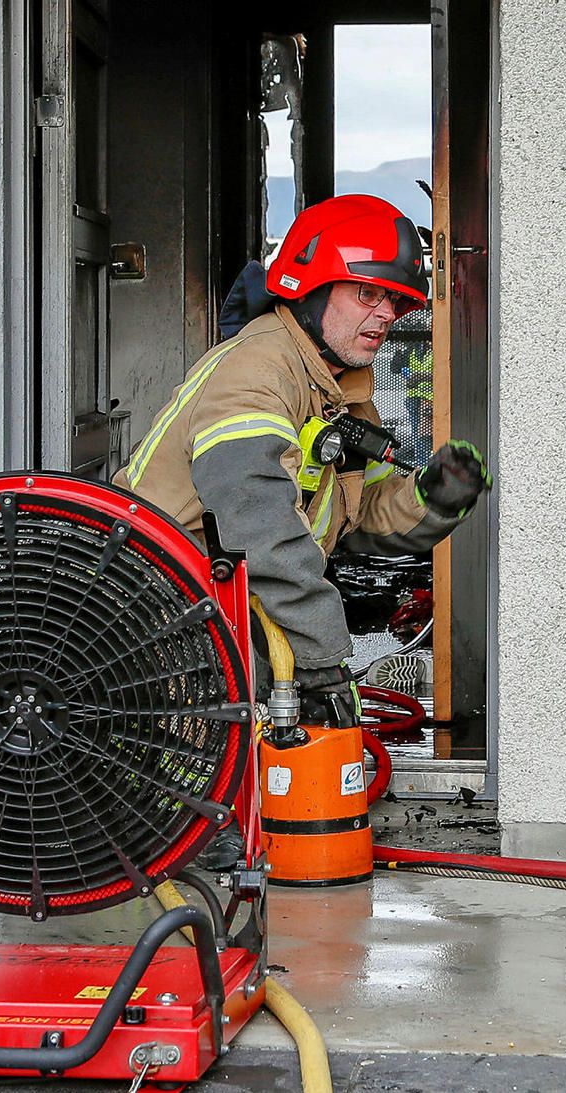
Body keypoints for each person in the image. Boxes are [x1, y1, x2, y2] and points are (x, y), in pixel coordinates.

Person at [116, 194, 490, 726]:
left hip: (222, 619)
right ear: (309, 287)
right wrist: (319, 655)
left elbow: (358, 518)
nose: (385, 314)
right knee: (198, 788)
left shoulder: (338, 387)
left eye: (395, 301)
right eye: (367, 293)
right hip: (157, 632)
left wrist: (432, 498)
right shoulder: (258, 372)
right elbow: (259, 521)